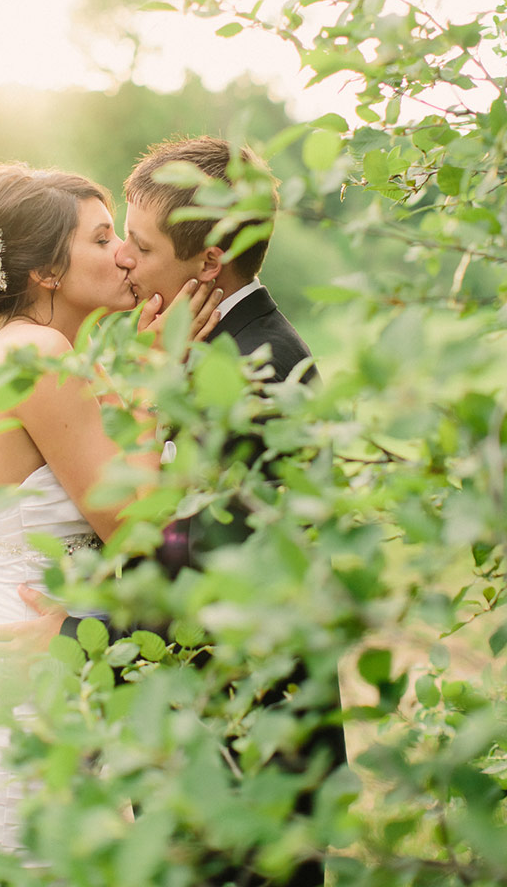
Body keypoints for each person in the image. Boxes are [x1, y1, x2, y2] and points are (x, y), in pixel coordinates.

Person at [24, 136, 345, 887]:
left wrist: (74, 629)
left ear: (208, 261)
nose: (124, 259)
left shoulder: (260, 370)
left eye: (138, 243)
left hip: (248, 753)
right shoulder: (205, 346)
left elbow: (212, 571)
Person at [0, 162, 221, 887]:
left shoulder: (58, 358)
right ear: (46, 271)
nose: (125, 253)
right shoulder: (35, 353)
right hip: (17, 692)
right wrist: (156, 388)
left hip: (39, 673)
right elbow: (135, 522)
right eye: (103, 236)